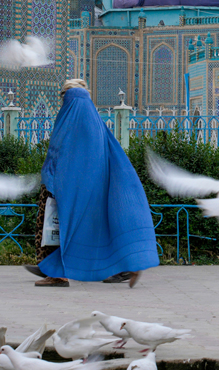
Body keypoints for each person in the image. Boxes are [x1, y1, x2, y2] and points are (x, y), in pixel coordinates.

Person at [25, 79, 158, 288]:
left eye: (64, 97)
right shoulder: (95, 123)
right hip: (92, 192)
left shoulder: (71, 118)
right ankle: (121, 265)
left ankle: (57, 273)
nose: (63, 101)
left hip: (64, 190)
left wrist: (51, 183)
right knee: (96, 229)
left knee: (55, 228)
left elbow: (59, 155)